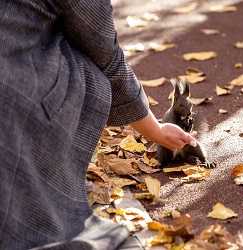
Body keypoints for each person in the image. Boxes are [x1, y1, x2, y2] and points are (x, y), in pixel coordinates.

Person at [0, 0, 196, 249]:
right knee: (89, 67)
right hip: (14, 92)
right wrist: (155, 129)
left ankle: (55, 169)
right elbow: (107, 56)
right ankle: (52, 170)